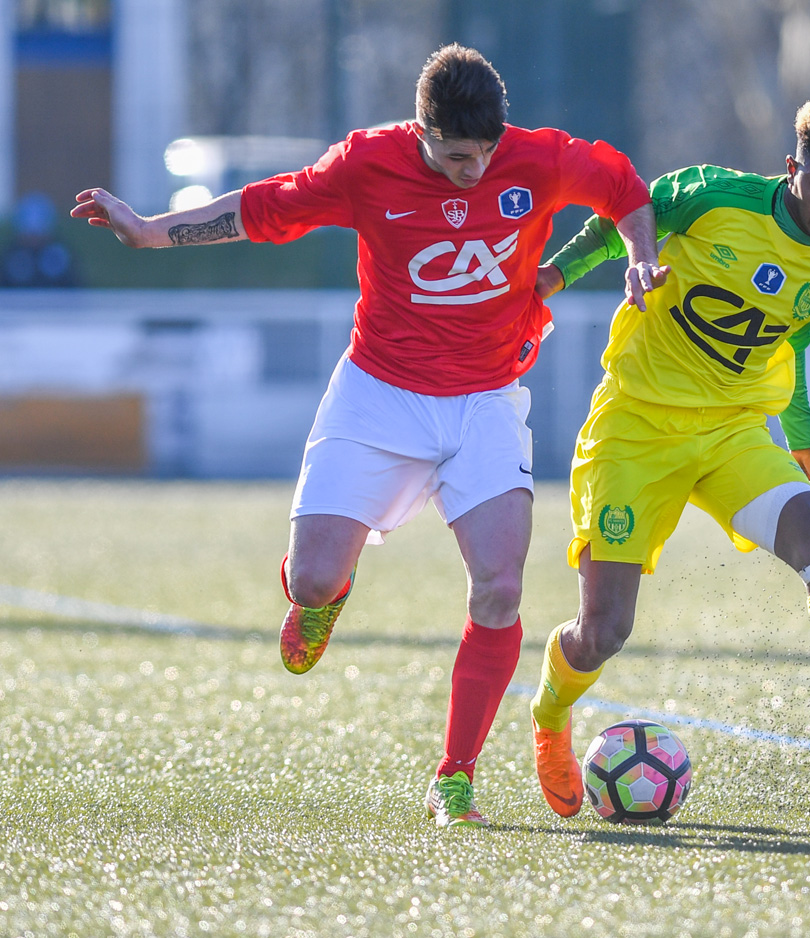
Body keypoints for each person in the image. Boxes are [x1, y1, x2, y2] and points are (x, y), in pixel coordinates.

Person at [71, 44, 663, 829]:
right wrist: (150, 231)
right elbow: (264, 206)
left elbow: (625, 189)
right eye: (456, 157)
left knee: (501, 588)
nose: (473, 173)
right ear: (421, 133)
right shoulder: (367, 165)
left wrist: (642, 257)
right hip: (378, 396)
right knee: (312, 577)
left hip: (485, 401)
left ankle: (455, 776)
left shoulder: (537, 158)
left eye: (485, 156)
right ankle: (327, 595)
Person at [524, 92, 810, 818]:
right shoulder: (709, 196)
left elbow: (787, 345)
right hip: (636, 430)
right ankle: (547, 720)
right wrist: (552, 278)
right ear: (792, 167)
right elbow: (620, 222)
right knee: (604, 632)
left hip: (732, 433)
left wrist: (804, 442)